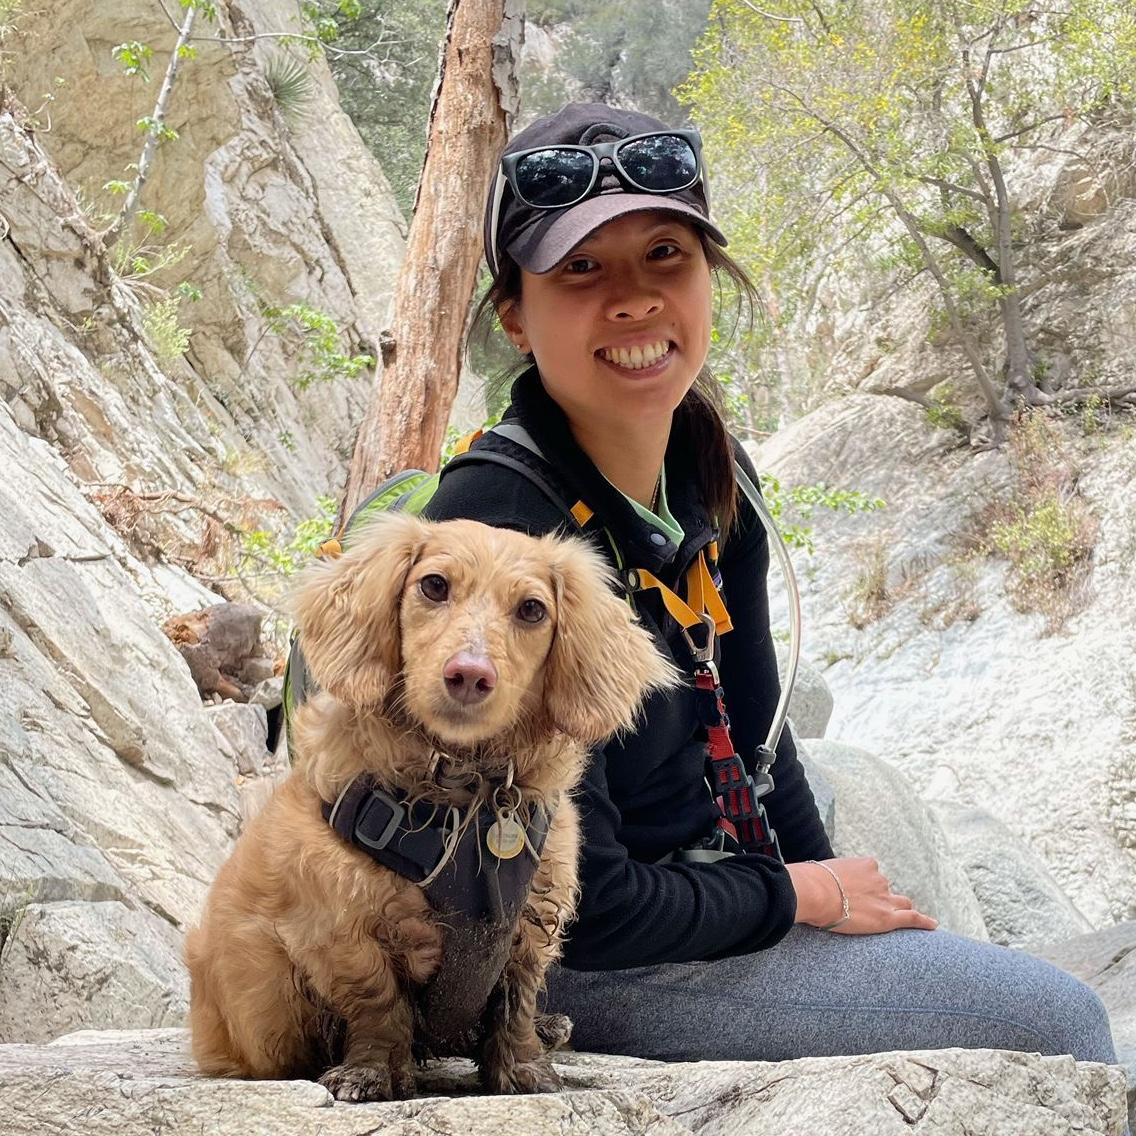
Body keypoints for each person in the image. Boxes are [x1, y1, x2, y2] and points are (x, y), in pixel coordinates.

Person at [422, 102, 1119, 1074]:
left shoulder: (705, 465)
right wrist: (802, 897)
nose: (632, 299)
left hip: (691, 883)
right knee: (1062, 1024)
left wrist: (831, 887)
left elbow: (755, 734)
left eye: (664, 254)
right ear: (514, 316)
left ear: (708, 275)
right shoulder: (500, 523)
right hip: (570, 962)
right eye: (580, 268)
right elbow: (583, 906)